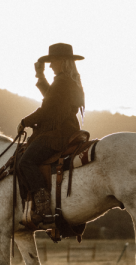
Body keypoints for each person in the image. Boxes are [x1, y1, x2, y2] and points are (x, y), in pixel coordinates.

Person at [16, 43, 85, 224]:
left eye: (53, 61)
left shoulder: (62, 82)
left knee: (26, 162)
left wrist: (25, 122)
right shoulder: (69, 81)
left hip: (58, 132)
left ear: (62, 61)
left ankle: (43, 203)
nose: (51, 65)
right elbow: (53, 99)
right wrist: (40, 76)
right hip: (69, 129)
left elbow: (47, 110)